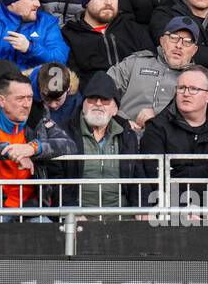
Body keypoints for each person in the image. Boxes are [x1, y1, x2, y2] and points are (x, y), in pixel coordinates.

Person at [0, 70, 75, 211]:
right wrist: (6, 150)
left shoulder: (39, 116)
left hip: (32, 207)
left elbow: (69, 145)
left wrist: (33, 148)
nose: (26, 104)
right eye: (20, 98)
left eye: (29, 98)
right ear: (2, 100)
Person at [139, 64, 208, 197]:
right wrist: (183, 207)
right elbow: (155, 177)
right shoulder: (156, 128)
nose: (186, 94)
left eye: (193, 89)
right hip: (171, 208)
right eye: (181, 88)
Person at [55, 71, 145, 209]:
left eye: (105, 100)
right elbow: (56, 179)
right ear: (83, 105)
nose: (98, 103)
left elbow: (138, 177)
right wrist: (73, 212)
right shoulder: (64, 132)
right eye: (92, 98)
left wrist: (141, 208)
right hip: (76, 217)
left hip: (122, 216)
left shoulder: (127, 134)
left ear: (115, 109)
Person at [107, 15, 203, 127]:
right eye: (173, 38)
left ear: (194, 50)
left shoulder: (199, 80)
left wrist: (159, 119)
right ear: (162, 41)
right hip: (121, 133)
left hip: (167, 141)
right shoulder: (135, 63)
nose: (179, 45)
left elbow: (200, 119)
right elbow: (103, 91)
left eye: (187, 42)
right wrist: (123, 122)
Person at [63, 0, 148, 80]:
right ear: (86, 1)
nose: (108, 2)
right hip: (92, 95)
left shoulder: (134, 30)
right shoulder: (69, 36)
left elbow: (150, 71)